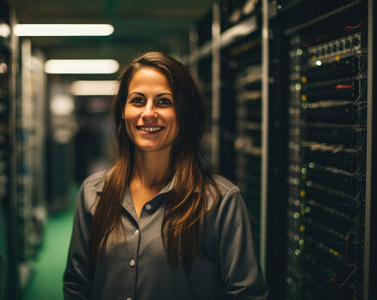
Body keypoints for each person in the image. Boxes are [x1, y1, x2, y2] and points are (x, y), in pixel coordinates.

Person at [63, 52, 268, 300]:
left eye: (163, 102)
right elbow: (77, 286)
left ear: (183, 114)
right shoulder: (92, 192)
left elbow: (247, 294)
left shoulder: (219, 201)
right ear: (123, 112)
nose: (148, 112)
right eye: (138, 100)